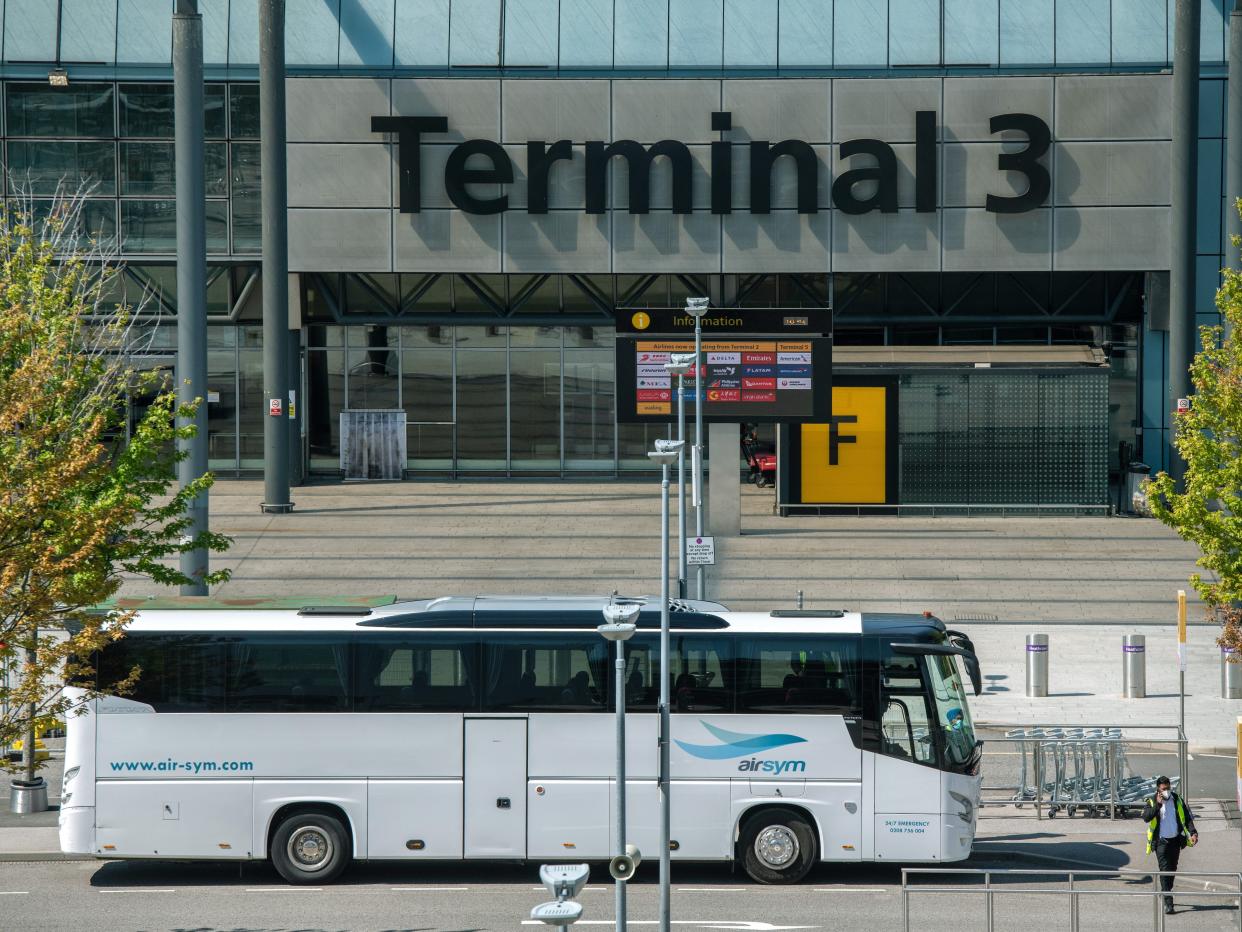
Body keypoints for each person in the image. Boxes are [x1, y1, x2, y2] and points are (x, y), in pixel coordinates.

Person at [1141, 776, 1198, 914]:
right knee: (1165, 870)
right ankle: (1168, 902)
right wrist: (1158, 805)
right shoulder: (1152, 800)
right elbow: (1146, 817)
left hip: (1175, 841)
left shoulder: (1177, 799)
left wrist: (1193, 832)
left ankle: (1166, 890)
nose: (1166, 791)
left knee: (1172, 870)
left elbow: (1187, 817)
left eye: (1168, 788)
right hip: (1161, 842)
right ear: (1158, 790)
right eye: (1163, 789)